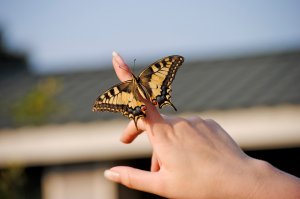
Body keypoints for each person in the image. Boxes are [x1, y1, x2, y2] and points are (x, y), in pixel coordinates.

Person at [104, 52, 300, 199]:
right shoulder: (148, 77)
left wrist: (253, 182)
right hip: (153, 95)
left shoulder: (129, 88)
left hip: (146, 100)